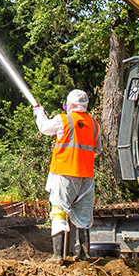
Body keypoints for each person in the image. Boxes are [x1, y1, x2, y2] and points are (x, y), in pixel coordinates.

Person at [33, 89, 98, 260]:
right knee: (83, 217)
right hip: (86, 177)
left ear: (70, 104)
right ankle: (84, 255)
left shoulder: (63, 120)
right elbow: (96, 149)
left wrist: (40, 114)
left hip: (64, 174)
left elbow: (45, 128)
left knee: (58, 212)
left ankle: (58, 257)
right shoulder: (93, 123)